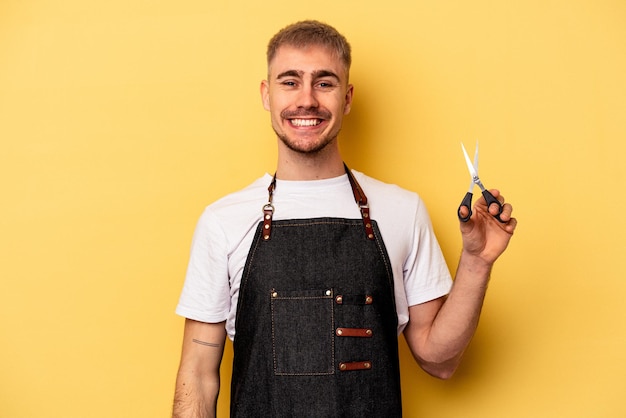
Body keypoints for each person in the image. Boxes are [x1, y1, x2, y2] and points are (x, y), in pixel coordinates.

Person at [172, 20, 517, 418]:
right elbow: (197, 374)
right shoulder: (223, 221)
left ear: (347, 97)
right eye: (289, 82)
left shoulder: (401, 210)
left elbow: (440, 361)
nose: (307, 100)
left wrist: (477, 261)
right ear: (266, 95)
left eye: (324, 82)